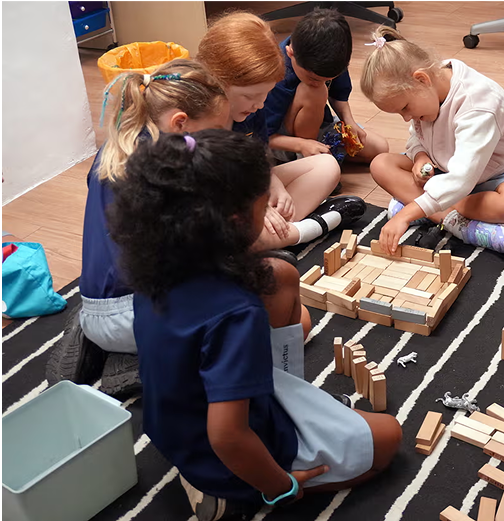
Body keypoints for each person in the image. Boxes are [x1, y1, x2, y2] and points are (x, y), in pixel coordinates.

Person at [108, 129, 402, 521]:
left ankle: (286, 405)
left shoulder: (157, 269)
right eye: (264, 209)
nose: (271, 217)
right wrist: (281, 486)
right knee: (388, 438)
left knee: (278, 276)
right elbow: (228, 435)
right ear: (234, 222)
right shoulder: (234, 313)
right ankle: (237, 495)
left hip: (173, 423)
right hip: (227, 453)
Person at [46, 59, 233, 396]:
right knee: (239, 310)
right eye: (216, 133)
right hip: (139, 318)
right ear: (181, 123)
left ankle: (99, 339)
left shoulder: (115, 148)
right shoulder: (170, 169)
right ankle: (140, 356)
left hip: (95, 305)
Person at [361, 26, 504, 255]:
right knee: (381, 164)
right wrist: (420, 156)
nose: (407, 117)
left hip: (496, 175)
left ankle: (422, 206)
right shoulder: (429, 87)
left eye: (405, 108)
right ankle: (454, 220)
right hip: (446, 172)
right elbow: (416, 134)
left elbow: (463, 177)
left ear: (422, 79)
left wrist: (407, 215)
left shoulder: (479, 103)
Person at [198, 11, 367, 251]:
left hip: (244, 189)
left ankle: (266, 236)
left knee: (326, 165)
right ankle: (301, 231)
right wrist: (256, 202)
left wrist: (273, 186)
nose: (259, 105)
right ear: (217, 82)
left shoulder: (251, 109)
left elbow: (258, 161)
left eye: (265, 95)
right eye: (250, 96)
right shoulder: (196, 120)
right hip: (215, 201)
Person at [262, 8, 388, 164]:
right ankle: (307, 162)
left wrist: (349, 121)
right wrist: (302, 144)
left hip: (316, 125)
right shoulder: (274, 76)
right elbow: (262, 135)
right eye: (313, 78)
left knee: (379, 148)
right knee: (314, 91)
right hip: (281, 141)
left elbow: (338, 95)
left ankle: (322, 154)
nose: (320, 82)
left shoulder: (332, 55)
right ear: (290, 53)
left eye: (328, 79)